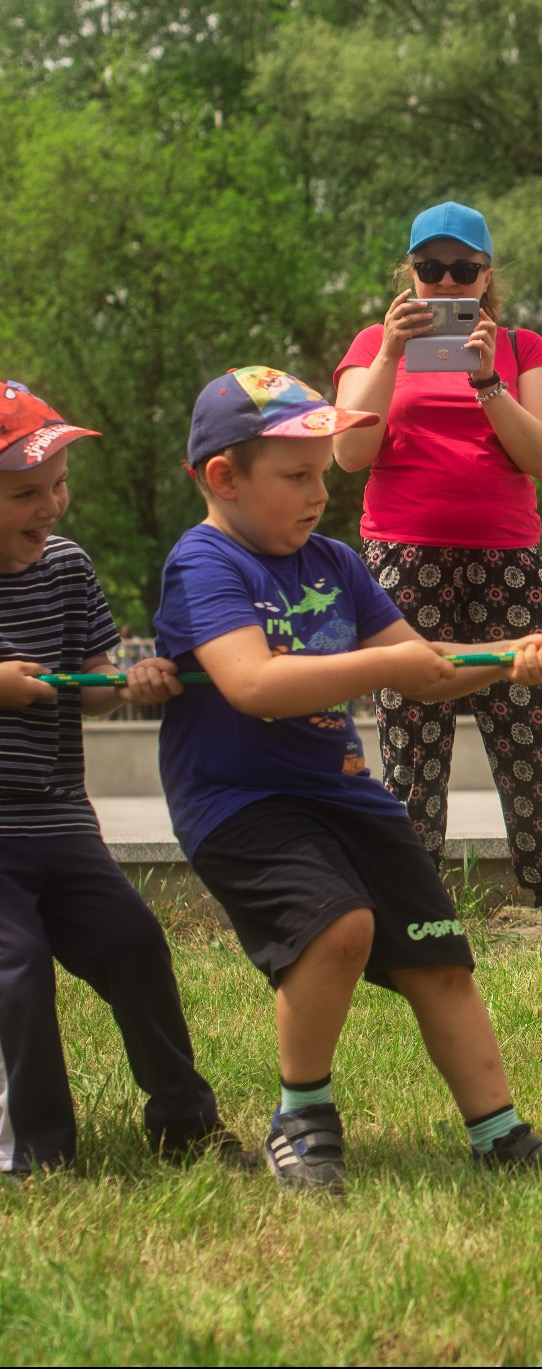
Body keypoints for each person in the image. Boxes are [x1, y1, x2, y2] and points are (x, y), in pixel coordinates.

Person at [156, 366, 542, 1194]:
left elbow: (423, 669)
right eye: (297, 476)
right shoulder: (203, 564)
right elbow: (253, 685)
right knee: (338, 926)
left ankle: (499, 1132)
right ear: (223, 477)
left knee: (439, 954)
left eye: (321, 474)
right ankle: (301, 1117)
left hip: (343, 793)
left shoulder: (337, 562)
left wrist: (507, 660)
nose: (320, 493)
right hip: (239, 802)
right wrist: (388, 661)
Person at [0, 381, 253, 1177]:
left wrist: (132, 682)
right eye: (23, 495)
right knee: (19, 968)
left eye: (58, 486)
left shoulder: (68, 567)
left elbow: (97, 683)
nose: (50, 508)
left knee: (135, 943)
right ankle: (38, 1154)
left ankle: (185, 1122)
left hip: (62, 821)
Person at [332, 202, 542, 947]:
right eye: (431, 269)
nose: (447, 281)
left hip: (506, 559)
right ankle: (416, 915)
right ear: (409, 273)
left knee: (524, 731)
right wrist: (387, 356)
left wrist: (488, 383)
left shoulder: (520, 345)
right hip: (401, 558)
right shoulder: (371, 344)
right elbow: (349, 455)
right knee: (411, 741)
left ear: (487, 276)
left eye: (464, 270)